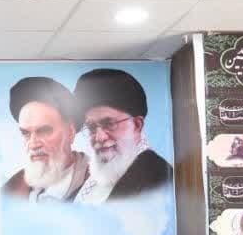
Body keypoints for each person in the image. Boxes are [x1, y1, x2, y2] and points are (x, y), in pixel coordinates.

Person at [72, 68, 173, 203]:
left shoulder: (159, 180)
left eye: (109, 124)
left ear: (137, 125)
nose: (100, 137)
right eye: (91, 127)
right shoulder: (88, 183)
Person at [2, 76, 89, 203]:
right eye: (26, 133)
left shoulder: (100, 186)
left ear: (70, 132)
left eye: (44, 131)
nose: (33, 144)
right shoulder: (10, 191)